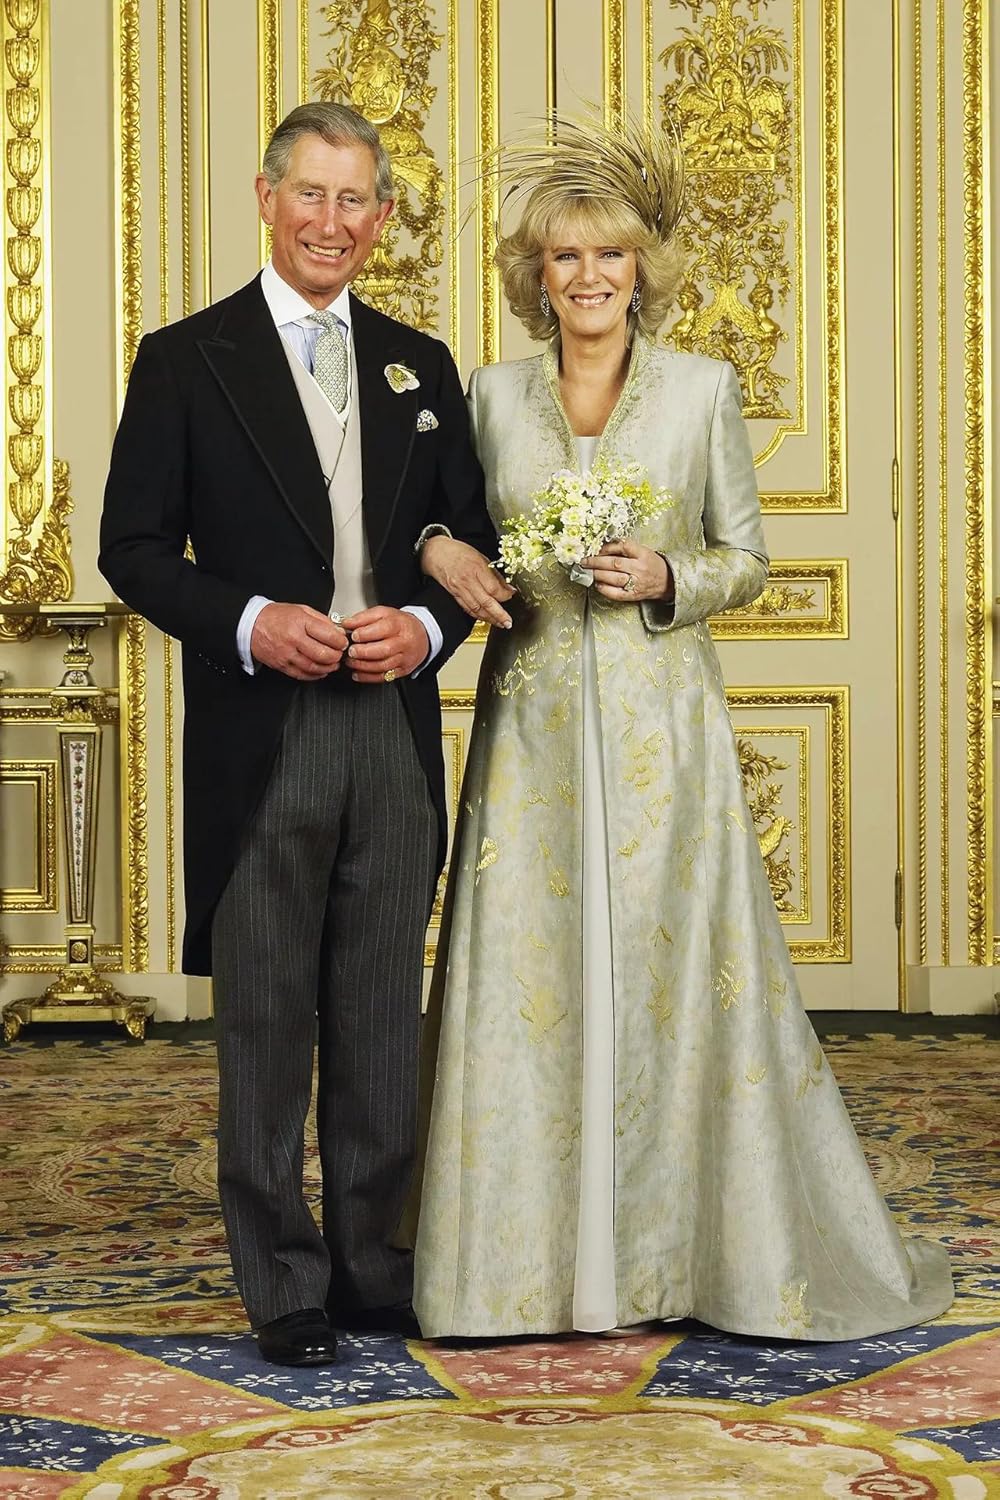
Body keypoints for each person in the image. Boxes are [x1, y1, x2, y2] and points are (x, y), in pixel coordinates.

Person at [409, 115, 953, 1341]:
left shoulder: (702, 390)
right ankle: (512, 1275)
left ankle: (673, 1260)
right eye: (563, 257)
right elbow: (441, 528)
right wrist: (447, 551)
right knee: (530, 979)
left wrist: (666, 576)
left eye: (608, 255)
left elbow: (745, 559)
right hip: (531, 734)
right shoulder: (488, 397)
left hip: (665, 736)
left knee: (666, 975)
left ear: (641, 268)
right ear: (533, 275)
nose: (587, 277)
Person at [99, 102, 496, 1367]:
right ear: (267, 198)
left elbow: (466, 540)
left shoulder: (419, 363)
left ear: (382, 217)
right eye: (310, 194)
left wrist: (424, 632)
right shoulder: (185, 358)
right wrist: (251, 621)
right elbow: (132, 549)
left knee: (379, 1014)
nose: (332, 221)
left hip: (389, 727)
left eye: (354, 199)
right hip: (262, 731)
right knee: (267, 1018)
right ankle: (282, 1281)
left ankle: (374, 1264)